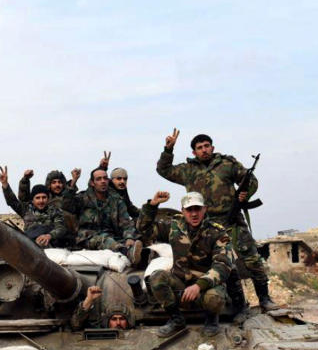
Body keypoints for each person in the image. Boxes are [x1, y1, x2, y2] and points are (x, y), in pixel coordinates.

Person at [156, 129, 278, 312]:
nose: (204, 150)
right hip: (205, 226)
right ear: (194, 152)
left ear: (212, 147)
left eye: (206, 146)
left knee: (252, 259)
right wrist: (168, 149)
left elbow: (250, 180)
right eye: (199, 148)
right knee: (219, 264)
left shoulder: (227, 164)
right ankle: (232, 305)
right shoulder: (188, 170)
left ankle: (265, 298)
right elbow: (163, 170)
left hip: (232, 220)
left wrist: (245, 195)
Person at [143, 192, 234, 337]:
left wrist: (199, 285)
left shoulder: (217, 232)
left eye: (197, 209)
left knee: (214, 298)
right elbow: (145, 230)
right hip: (180, 281)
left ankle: (212, 319)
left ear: (204, 209)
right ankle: (176, 319)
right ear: (183, 211)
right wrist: (152, 206)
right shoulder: (174, 226)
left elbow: (222, 265)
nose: (194, 214)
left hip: (206, 285)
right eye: (189, 210)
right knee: (156, 277)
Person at [64, 167, 142, 265]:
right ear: (92, 183)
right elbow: (67, 206)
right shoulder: (83, 198)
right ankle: (126, 252)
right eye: (99, 179)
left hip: (112, 236)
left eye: (105, 178)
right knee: (105, 240)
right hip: (87, 236)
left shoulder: (116, 200)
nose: (103, 181)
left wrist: (129, 238)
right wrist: (73, 182)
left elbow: (126, 223)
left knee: (136, 239)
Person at [0, 167, 69, 247]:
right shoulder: (26, 209)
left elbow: (60, 228)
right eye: (38, 198)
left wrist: (49, 236)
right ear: (32, 200)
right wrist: (5, 184)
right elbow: (12, 201)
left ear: (48, 199)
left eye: (44, 197)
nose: (41, 201)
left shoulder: (55, 211)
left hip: (47, 244)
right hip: (27, 243)